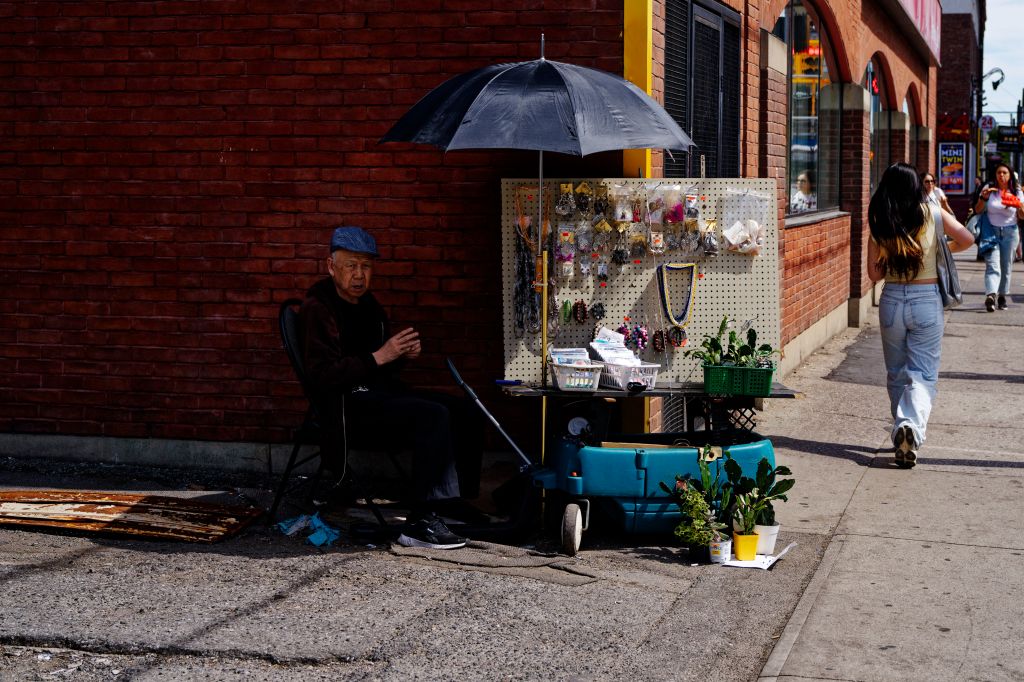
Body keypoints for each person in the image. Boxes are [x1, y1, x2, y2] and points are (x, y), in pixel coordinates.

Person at [299, 226, 483, 549]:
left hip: (378, 394)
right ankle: (420, 522)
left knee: (465, 410)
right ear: (331, 266)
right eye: (351, 266)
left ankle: (451, 502)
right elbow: (323, 376)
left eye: (366, 267)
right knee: (432, 416)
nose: (359, 275)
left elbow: (379, 364)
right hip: (346, 408)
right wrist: (382, 355)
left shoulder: (368, 306)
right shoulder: (318, 308)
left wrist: (400, 355)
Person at [867, 163, 974, 468]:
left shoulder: (880, 221)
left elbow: (873, 274)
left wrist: (891, 255)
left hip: (892, 301)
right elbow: (967, 239)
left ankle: (903, 426)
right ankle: (910, 428)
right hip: (926, 300)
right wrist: (939, 250)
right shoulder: (933, 213)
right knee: (923, 374)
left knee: (897, 373)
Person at [973, 162, 1024, 311]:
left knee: (1006, 266)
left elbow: (1022, 216)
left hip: (1010, 232)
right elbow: (977, 210)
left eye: (1004, 173)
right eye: (998, 173)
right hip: (991, 232)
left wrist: (1019, 206)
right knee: (992, 265)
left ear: (1010, 176)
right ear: (995, 175)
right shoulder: (989, 190)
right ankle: (991, 295)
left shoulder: (1017, 192)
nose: (1001, 175)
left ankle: (1002, 295)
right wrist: (983, 198)